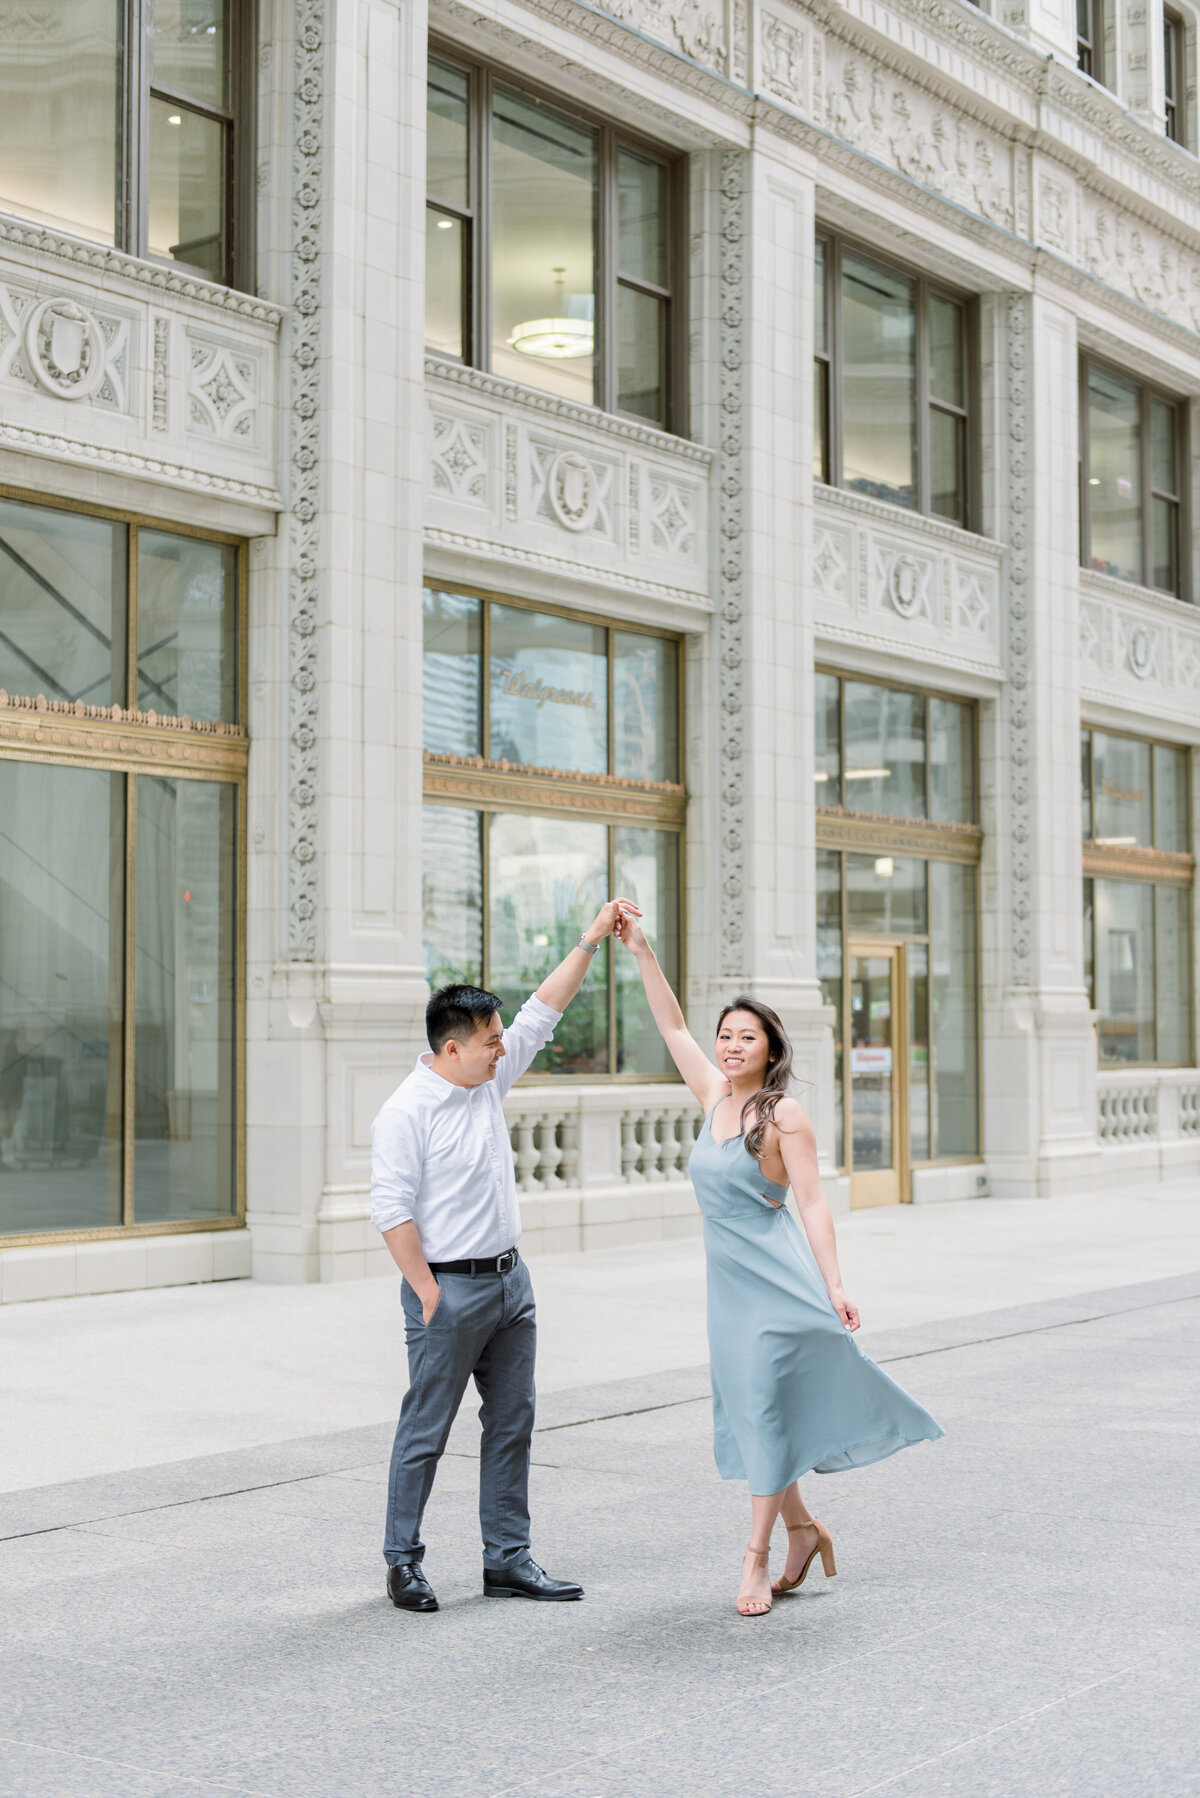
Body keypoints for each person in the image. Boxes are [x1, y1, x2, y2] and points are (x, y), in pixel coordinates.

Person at [614, 905, 943, 1618]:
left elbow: (814, 1204)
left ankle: (755, 1557)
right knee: (755, 1416)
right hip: (727, 1295)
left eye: (746, 1037)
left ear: (770, 1049)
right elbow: (672, 1026)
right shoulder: (710, 1098)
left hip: (776, 1287)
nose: (731, 1046)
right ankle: (804, 1529)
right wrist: (642, 949)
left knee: (763, 1405)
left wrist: (835, 1284)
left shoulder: (781, 1115)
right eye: (726, 1036)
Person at [370, 897, 638, 1613]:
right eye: (489, 1040)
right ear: (450, 1047)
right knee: (426, 1429)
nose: (503, 1047)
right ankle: (403, 1561)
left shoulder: (486, 1080)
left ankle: (508, 1559)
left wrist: (588, 940)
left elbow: (542, 1011)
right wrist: (426, 1292)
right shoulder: (406, 1112)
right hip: (448, 1292)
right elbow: (391, 1209)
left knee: (512, 1422)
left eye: (498, 1038)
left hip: (510, 1284)